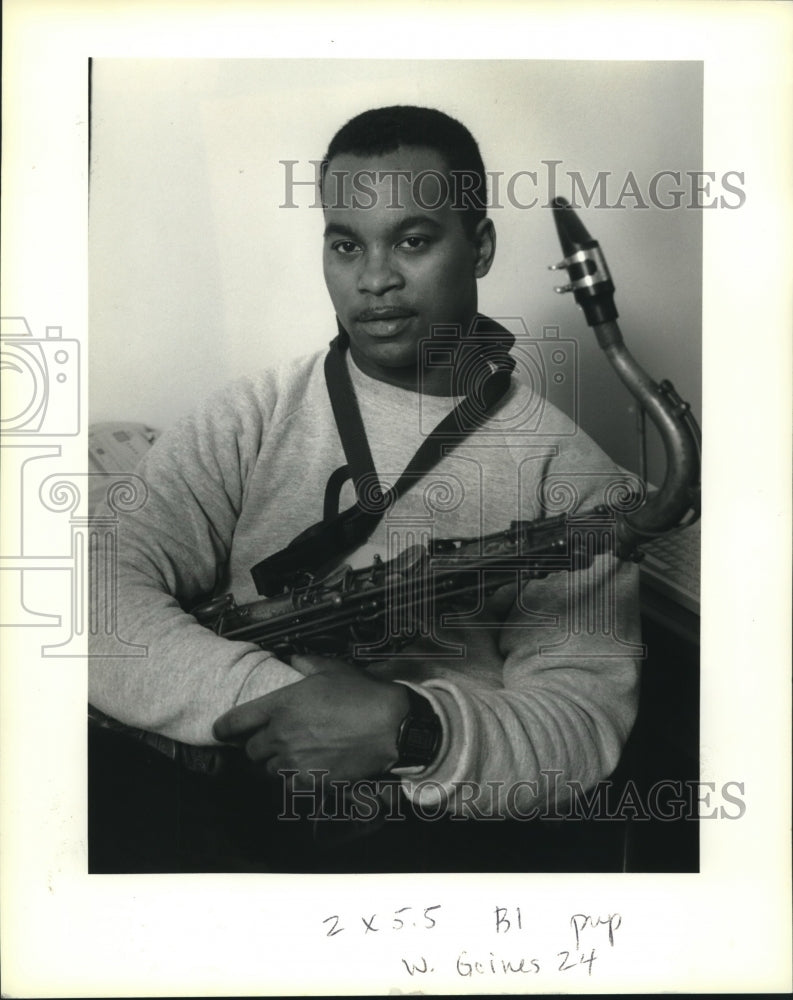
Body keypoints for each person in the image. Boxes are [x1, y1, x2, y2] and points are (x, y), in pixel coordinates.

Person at [88, 105, 641, 873]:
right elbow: (93, 592)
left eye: (412, 241)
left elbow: (581, 726)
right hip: (216, 792)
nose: (374, 280)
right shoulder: (252, 411)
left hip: (418, 837)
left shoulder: (570, 472)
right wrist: (276, 705)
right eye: (346, 245)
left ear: (479, 247)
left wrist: (411, 731)